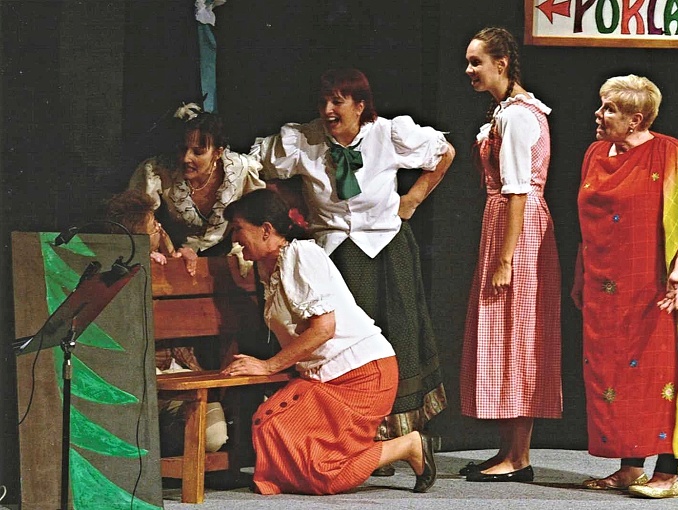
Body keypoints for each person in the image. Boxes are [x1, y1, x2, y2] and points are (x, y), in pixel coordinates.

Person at [250, 68, 454, 462]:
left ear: (360, 106)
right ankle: (352, 440)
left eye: (338, 101)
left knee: (395, 340)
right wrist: (298, 207)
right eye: (323, 101)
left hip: (385, 249)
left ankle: (396, 441)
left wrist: (412, 200)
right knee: (344, 349)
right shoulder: (304, 139)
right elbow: (257, 167)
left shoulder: (388, 134)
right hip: (333, 256)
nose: (328, 109)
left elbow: (444, 152)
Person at [219, 189, 436, 495]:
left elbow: (324, 329)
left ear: (266, 229)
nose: (235, 239)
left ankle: (406, 446)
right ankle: (340, 459)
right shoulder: (270, 267)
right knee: (268, 424)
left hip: (362, 374)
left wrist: (267, 367)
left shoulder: (302, 256)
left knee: (325, 475)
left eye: (239, 229)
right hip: (323, 378)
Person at [572, 75, 678, 499]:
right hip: (604, 286)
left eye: (609, 109)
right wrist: (581, 274)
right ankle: (630, 468)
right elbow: (587, 225)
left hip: (655, 288)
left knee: (659, 375)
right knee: (616, 373)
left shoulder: (669, 153)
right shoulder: (595, 153)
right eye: (602, 106)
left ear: (635, 120)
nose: (598, 115)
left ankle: (668, 474)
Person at [458, 27, 562, 483]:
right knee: (502, 333)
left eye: (476, 62)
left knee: (517, 333)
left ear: (501, 64)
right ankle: (509, 450)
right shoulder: (505, 112)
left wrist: (505, 260)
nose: (469, 70)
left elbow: (518, 190)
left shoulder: (518, 116)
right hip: (504, 223)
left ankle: (519, 457)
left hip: (517, 229)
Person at [103, 189, 228, 456]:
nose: (160, 228)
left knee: (213, 436)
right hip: (144, 383)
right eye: (154, 226)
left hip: (185, 375)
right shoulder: (116, 274)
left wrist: (179, 261)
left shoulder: (170, 262)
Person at [129, 105, 266, 275]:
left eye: (198, 152)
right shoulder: (158, 172)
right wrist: (166, 251)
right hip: (176, 260)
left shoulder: (240, 170)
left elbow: (256, 219)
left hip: (228, 261)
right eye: (182, 149)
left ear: (217, 153)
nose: (186, 158)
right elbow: (139, 224)